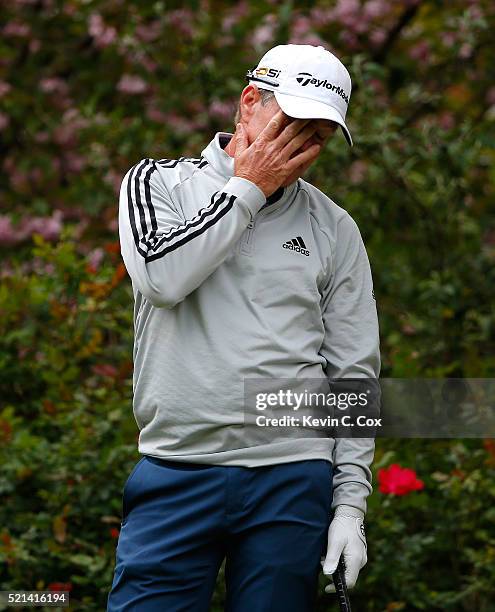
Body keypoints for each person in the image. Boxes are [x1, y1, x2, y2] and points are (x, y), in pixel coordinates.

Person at [108, 43, 380, 611]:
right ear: (248, 104)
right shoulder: (158, 184)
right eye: (290, 126)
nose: (298, 149)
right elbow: (162, 277)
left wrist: (350, 505)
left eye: (316, 139)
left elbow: (354, 375)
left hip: (292, 475)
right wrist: (248, 189)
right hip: (177, 468)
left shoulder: (335, 227)